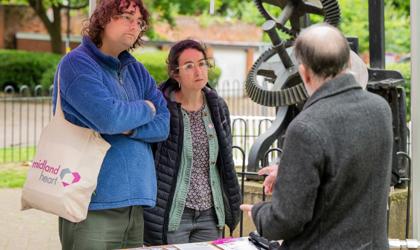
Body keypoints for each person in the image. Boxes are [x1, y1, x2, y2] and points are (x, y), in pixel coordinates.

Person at [241, 23, 393, 249]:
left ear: (303, 73)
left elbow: (285, 220)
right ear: (350, 62)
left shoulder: (306, 126)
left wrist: (259, 213)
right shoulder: (380, 109)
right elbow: (349, 163)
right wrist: (290, 169)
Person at [53, 0, 170, 249]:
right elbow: (108, 117)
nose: (135, 26)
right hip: (91, 202)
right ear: (104, 19)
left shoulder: (137, 70)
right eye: (127, 17)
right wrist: (146, 108)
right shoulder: (77, 64)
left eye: (139, 22)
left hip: (136, 203)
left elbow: (163, 125)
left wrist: (128, 126)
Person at [143, 39, 241, 245]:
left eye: (202, 63)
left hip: (210, 216)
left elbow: (225, 161)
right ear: (175, 73)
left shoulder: (217, 106)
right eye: (189, 66)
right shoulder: (162, 108)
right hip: (174, 216)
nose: (198, 71)